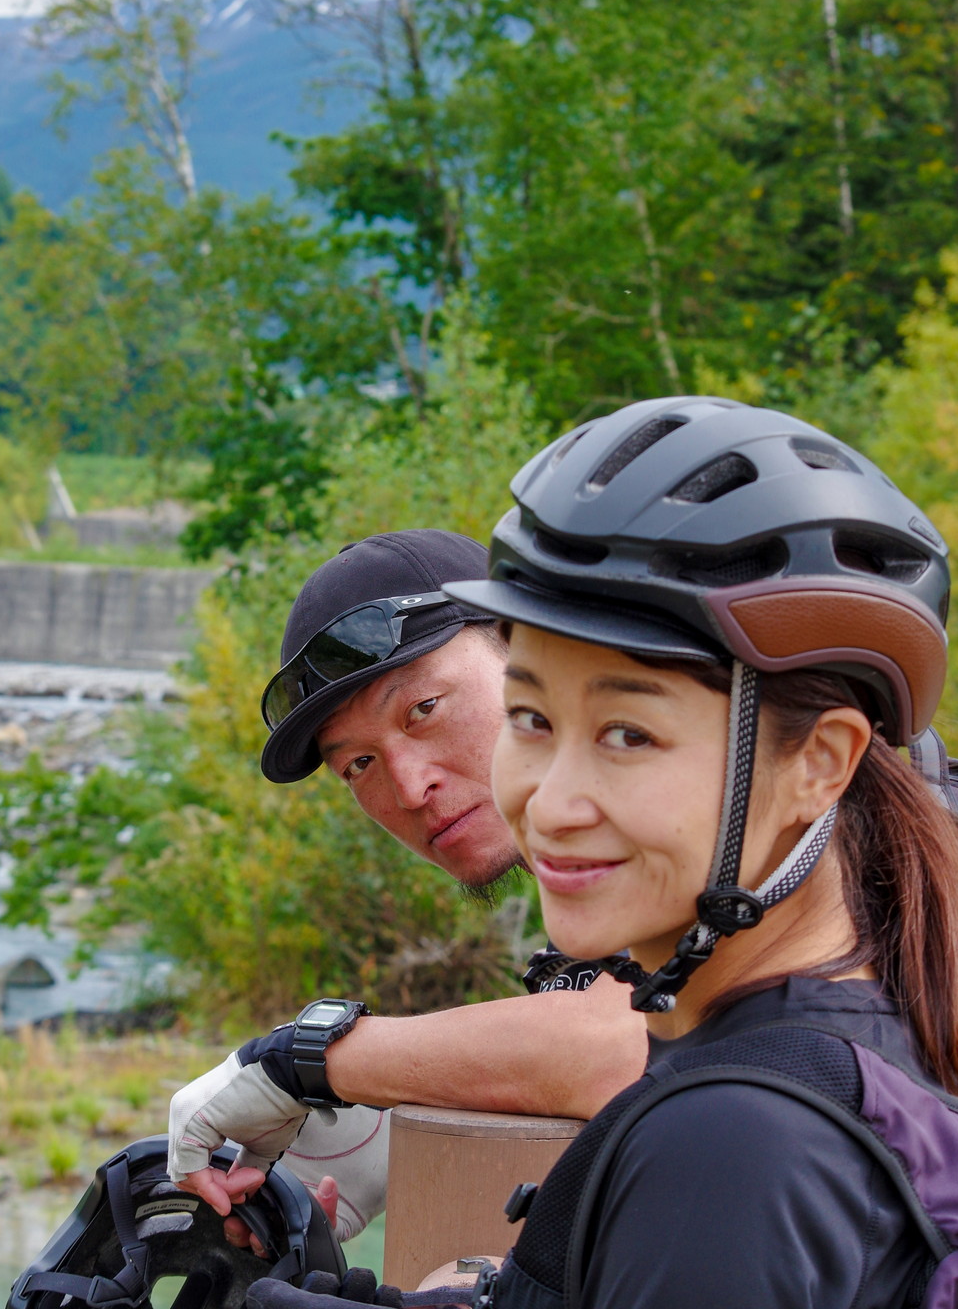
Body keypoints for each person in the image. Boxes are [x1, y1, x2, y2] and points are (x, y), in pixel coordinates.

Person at [232, 397, 958, 1309]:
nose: (548, 801)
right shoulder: (859, 1007)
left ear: (820, 762)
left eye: (627, 733)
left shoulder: (733, 1145)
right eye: (530, 717)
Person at [168, 529, 645, 1240]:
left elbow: (630, 1044)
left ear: (527, 649)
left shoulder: (696, 802)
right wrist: (403, 1133)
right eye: (358, 763)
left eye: (424, 708)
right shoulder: (585, 884)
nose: (410, 786)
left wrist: (309, 1060)